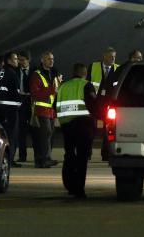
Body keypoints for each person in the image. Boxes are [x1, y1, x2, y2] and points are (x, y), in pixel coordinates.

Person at [56, 62, 97, 199]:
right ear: (84, 73)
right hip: (83, 125)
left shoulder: (63, 86)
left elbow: (54, 104)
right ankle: (79, 190)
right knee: (82, 158)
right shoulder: (86, 85)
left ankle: (70, 187)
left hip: (66, 126)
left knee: (69, 156)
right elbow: (92, 105)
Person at [0, 52, 22, 167]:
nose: (18, 61)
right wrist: (20, 102)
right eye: (15, 59)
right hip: (10, 109)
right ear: (9, 61)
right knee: (11, 135)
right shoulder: (13, 74)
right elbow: (16, 93)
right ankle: (9, 159)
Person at [88, 47, 119, 161]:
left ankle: (106, 154)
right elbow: (87, 83)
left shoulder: (117, 68)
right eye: (111, 56)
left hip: (109, 104)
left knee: (108, 129)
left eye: (114, 57)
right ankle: (87, 153)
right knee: (91, 128)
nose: (113, 59)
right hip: (95, 103)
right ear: (104, 56)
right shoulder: (93, 67)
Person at [30, 52, 58, 168]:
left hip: (50, 110)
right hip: (41, 110)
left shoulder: (54, 74)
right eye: (48, 59)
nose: (51, 61)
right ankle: (43, 159)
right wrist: (52, 89)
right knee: (45, 134)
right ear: (42, 60)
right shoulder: (36, 75)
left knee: (49, 135)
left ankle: (45, 158)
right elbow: (35, 93)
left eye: (52, 59)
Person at [16, 52, 32, 163]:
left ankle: (39, 156)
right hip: (20, 101)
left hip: (31, 101)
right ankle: (22, 156)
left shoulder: (34, 70)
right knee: (21, 131)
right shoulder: (16, 70)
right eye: (19, 60)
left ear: (28, 60)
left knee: (36, 130)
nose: (20, 62)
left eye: (22, 60)